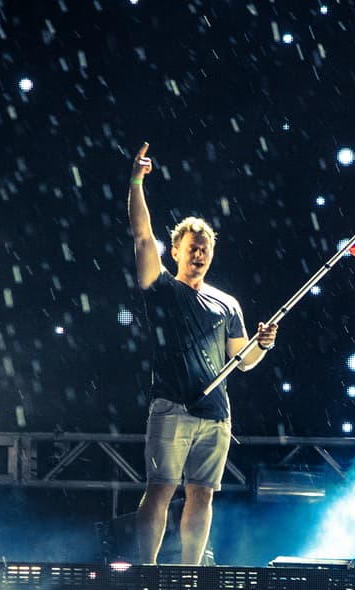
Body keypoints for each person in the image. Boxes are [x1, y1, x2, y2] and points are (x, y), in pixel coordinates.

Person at [127, 142, 278, 565]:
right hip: (172, 406)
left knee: (203, 493)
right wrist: (137, 182)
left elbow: (243, 361)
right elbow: (141, 236)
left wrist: (262, 345)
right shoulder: (162, 289)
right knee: (160, 487)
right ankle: (148, 572)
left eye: (205, 247)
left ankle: (191, 574)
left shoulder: (227, 303)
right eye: (192, 246)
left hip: (217, 414)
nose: (199, 252)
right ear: (174, 251)